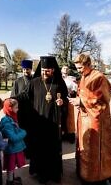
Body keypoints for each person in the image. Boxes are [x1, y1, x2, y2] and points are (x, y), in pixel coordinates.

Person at [14, 56, 68, 184]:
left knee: (53, 148)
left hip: (54, 122)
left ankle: (54, 174)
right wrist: (13, 99)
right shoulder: (35, 82)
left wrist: (63, 102)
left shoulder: (59, 83)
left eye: (47, 71)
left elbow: (66, 98)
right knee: (39, 148)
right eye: (43, 70)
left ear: (53, 70)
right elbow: (24, 95)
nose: (44, 73)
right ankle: (40, 173)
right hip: (38, 121)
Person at [68, 54, 111, 185]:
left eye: (80, 67)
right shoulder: (83, 77)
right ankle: (83, 172)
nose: (79, 70)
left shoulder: (99, 77)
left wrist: (81, 101)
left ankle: (95, 177)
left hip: (95, 120)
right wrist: (76, 98)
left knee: (93, 149)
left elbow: (103, 100)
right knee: (83, 146)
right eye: (77, 68)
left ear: (88, 64)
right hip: (84, 118)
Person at [0, 98, 26, 185]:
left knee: (12, 165)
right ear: (10, 109)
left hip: (14, 148)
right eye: (16, 108)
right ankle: (9, 181)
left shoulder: (12, 118)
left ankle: (12, 179)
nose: (18, 110)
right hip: (11, 149)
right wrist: (24, 132)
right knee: (10, 166)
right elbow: (13, 138)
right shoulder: (7, 122)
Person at [10, 59, 33, 158]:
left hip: (33, 111)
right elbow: (13, 96)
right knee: (21, 131)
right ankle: (22, 152)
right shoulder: (17, 81)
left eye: (27, 69)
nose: (25, 71)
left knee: (31, 132)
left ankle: (30, 151)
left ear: (31, 69)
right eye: (24, 69)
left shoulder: (34, 81)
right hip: (21, 112)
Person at [61, 65, 78, 144]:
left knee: (69, 118)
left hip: (69, 100)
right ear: (61, 69)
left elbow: (75, 88)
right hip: (60, 100)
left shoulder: (72, 78)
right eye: (64, 68)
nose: (65, 69)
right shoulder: (58, 77)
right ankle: (62, 135)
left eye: (67, 68)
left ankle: (70, 135)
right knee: (61, 118)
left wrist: (72, 92)